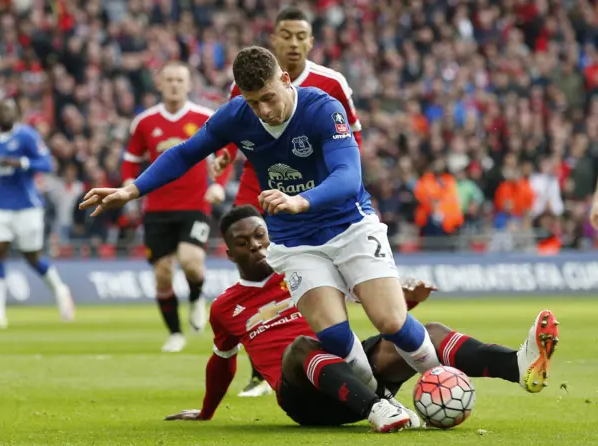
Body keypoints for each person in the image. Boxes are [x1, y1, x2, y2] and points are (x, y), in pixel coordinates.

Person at [80, 46, 442, 430]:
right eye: (254, 103)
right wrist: (131, 190)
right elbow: (185, 154)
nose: (264, 110)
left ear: (285, 80)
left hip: (348, 224)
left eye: (269, 98)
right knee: (334, 335)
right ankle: (383, 404)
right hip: (294, 238)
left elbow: (348, 177)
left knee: (390, 321)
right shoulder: (237, 115)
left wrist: (300, 200)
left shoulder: (324, 109)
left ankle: (441, 379)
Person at [164, 205, 559, 429]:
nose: (256, 246)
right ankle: (378, 410)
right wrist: (207, 411)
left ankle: (518, 365)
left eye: (261, 236)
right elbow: (223, 361)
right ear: (229, 253)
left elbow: (373, 306)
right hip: (305, 398)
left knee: (429, 332)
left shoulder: (304, 268)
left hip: (354, 370)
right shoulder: (225, 307)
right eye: (243, 242)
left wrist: (407, 302)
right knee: (302, 346)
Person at [215, 5, 363, 398]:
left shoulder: (331, 83)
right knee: (252, 261)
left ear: (311, 41)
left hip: (312, 187)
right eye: (286, 36)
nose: (294, 43)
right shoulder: (248, 79)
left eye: (301, 36)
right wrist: (226, 158)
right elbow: (229, 130)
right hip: (259, 182)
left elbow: (352, 140)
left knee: (305, 266)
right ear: (274, 39)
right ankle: (263, 364)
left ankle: (317, 349)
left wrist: (342, 183)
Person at [122, 62, 230, 353]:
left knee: (192, 262)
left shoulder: (205, 117)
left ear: (189, 83)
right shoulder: (144, 122)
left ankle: (196, 297)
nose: (174, 85)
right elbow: (130, 161)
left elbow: (224, 155)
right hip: (156, 207)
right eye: (168, 80)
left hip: (195, 205)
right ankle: (174, 333)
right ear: (159, 84)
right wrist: (128, 184)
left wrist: (218, 183)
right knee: (162, 273)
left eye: (179, 80)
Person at [0, 98, 75, 330]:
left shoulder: (27, 136)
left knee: (32, 256)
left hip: (27, 206)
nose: (6, 114)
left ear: (17, 114)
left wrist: (21, 162)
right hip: (0, 205)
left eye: (10, 109)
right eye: (2, 109)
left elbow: (47, 164)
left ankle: (60, 290)